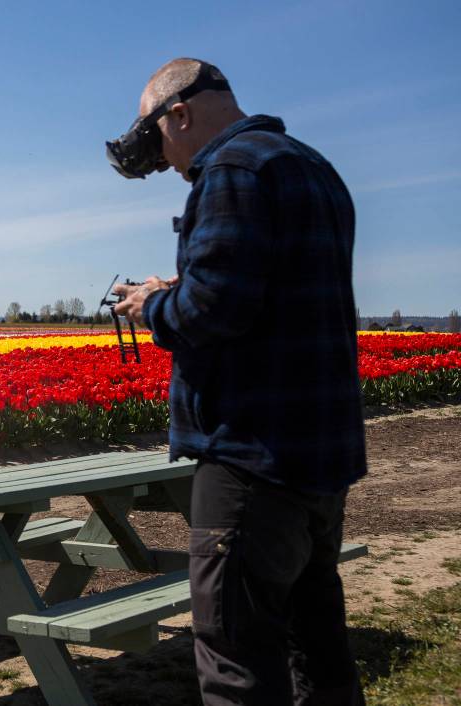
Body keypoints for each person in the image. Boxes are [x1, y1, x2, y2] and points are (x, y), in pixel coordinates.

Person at [109, 58, 367, 705]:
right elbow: (275, 293)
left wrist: (153, 306)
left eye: (163, 146)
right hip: (319, 458)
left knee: (237, 665)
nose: (169, 164)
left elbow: (212, 311)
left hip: (250, 457)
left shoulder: (229, 171)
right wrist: (186, 286)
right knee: (320, 655)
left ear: (180, 115)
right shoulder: (310, 166)